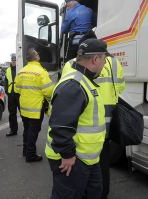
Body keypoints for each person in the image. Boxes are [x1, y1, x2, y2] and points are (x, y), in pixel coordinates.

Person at [45, 39, 108, 199]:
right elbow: (60, 126)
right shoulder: (75, 84)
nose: (105, 63)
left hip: (86, 158)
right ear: (95, 59)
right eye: (104, 59)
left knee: (94, 192)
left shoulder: (83, 80)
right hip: (74, 160)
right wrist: (67, 155)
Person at [15, 48, 55, 162]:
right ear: (36, 57)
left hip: (24, 107)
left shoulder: (22, 71)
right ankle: (30, 155)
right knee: (33, 131)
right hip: (36, 108)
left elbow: (16, 89)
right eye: (38, 53)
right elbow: (48, 91)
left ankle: (25, 150)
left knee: (27, 129)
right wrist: (50, 100)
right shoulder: (41, 71)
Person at [95, 55, 125, 199]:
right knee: (104, 161)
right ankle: (104, 192)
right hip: (109, 114)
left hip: (93, 117)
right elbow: (121, 86)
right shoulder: (115, 62)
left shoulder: (81, 61)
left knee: (89, 161)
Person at [4, 53, 20, 136]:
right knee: (12, 114)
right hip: (11, 94)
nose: (14, 61)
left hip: (19, 94)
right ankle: (13, 130)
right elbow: (6, 81)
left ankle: (27, 130)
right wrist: (6, 91)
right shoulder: (8, 70)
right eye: (13, 60)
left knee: (24, 113)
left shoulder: (21, 69)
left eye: (15, 59)